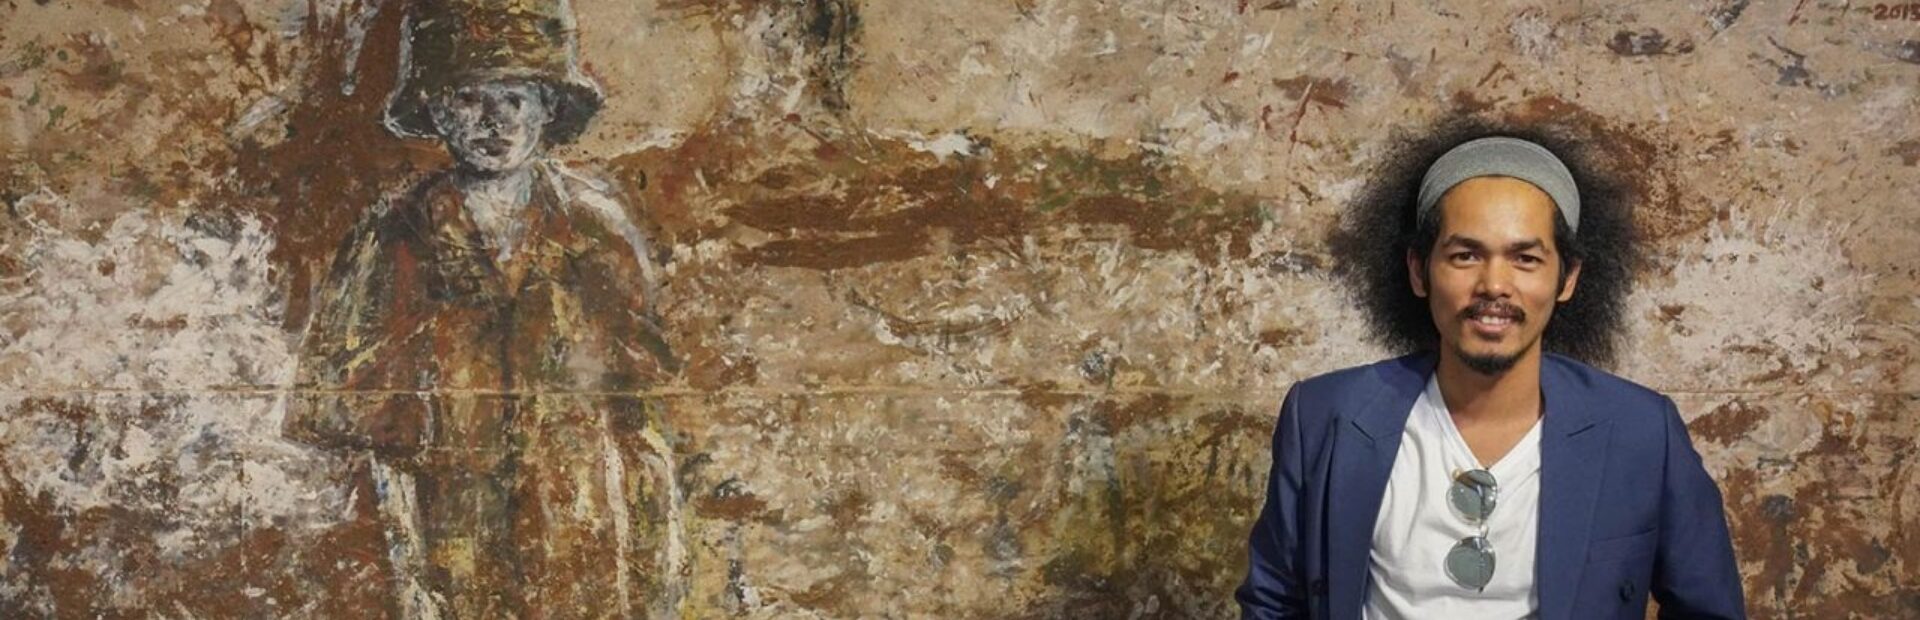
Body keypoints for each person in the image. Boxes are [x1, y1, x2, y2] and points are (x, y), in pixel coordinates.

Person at [1235, 125, 1746, 619]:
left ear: (1567, 278)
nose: (1494, 284)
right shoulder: (1325, 415)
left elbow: (1708, 610)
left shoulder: (1642, 432)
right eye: (1465, 255)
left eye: (1525, 258)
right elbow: (1273, 602)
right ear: (1419, 270)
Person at [284, 0, 685, 617]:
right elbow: (328, 393)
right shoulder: (393, 233)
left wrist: (654, 539)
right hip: (444, 520)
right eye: (469, 98)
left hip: (578, 513)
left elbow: (641, 397)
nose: (493, 121)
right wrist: (422, 422)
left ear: (547, 109)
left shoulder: (594, 230)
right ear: (436, 110)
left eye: (514, 100)